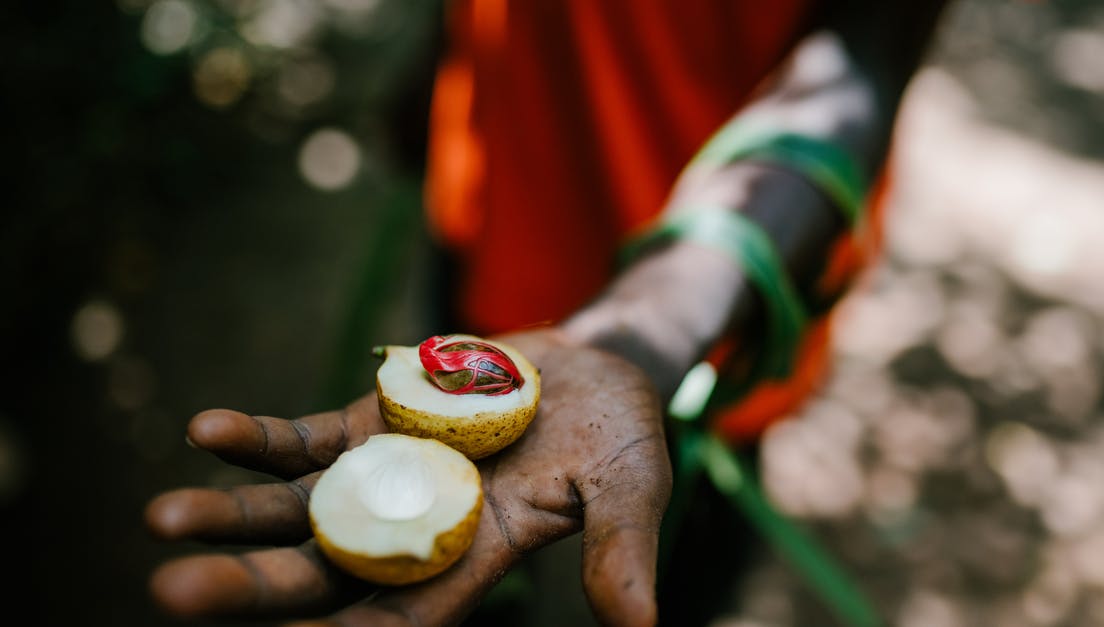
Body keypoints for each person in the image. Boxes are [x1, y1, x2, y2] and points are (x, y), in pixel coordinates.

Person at [144, 1, 950, 625]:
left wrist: (656, 321)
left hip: (722, 276)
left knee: (677, 531)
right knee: (484, 564)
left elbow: (864, 55)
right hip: (499, 184)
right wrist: (445, 48)